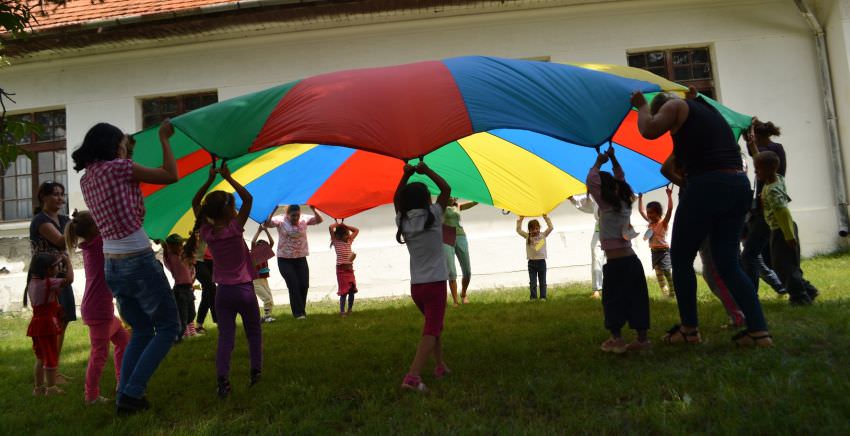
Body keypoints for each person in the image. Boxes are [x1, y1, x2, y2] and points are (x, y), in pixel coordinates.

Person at [633, 88, 772, 347]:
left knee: (681, 259)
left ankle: (689, 329)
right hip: (737, 185)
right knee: (728, 263)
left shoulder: (675, 107)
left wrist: (641, 105)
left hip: (709, 184)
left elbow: (649, 130)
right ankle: (759, 331)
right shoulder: (706, 112)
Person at [73, 120, 181, 414]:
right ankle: (132, 392)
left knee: (143, 329)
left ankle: (124, 394)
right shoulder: (119, 168)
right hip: (137, 257)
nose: (125, 146)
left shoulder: (87, 179)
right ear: (113, 145)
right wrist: (164, 138)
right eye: (122, 141)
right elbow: (171, 175)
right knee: (169, 327)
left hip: (112, 264)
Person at [186, 161, 263, 398]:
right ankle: (256, 373)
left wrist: (210, 180)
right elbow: (248, 199)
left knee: (226, 338)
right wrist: (228, 178)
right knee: (253, 333)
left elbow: (195, 203)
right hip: (245, 291)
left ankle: (222, 381)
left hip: (223, 294)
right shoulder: (234, 227)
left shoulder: (208, 232)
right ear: (230, 211)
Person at [394, 161, 452, 392]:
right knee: (431, 330)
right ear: (427, 199)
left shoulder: (403, 221)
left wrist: (405, 175)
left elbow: (396, 198)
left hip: (417, 287)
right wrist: (426, 169)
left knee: (435, 326)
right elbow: (446, 189)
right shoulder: (435, 215)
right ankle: (413, 376)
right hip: (436, 284)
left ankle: (440, 366)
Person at [587, 147, 650, 353]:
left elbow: (592, 180)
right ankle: (642, 339)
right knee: (637, 299)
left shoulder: (606, 206)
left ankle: (617, 339)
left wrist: (598, 163)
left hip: (615, 265)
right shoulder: (625, 204)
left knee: (613, 300)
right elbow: (621, 179)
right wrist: (613, 159)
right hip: (632, 262)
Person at [65, 210, 130, 405]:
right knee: (99, 354)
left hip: (99, 307)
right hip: (98, 309)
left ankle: (121, 381)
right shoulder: (99, 245)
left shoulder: (90, 246)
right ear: (95, 228)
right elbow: (113, 226)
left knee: (123, 339)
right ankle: (91, 396)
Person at [755, 151, 820, 305]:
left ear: (770, 169)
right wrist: (753, 148)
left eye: (758, 169)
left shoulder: (773, 191)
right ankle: (808, 289)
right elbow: (766, 163)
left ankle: (800, 298)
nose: (756, 172)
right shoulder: (777, 178)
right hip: (781, 229)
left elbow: (783, 214)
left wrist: (789, 236)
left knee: (784, 266)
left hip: (782, 230)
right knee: (785, 264)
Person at [28, 181, 76, 383]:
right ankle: (50, 370)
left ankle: (53, 369)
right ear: (43, 197)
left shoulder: (64, 219)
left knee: (63, 321)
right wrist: (77, 226)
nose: (60, 198)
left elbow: (73, 238)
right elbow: (60, 240)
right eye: (55, 194)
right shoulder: (40, 220)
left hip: (62, 274)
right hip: (47, 279)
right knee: (52, 324)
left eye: (62, 194)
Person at [741, 119, 788, 293]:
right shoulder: (771, 150)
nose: (755, 170)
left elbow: (761, 161)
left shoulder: (771, 152)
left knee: (753, 255)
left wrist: (752, 144)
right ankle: (792, 288)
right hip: (761, 209)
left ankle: (802, 290)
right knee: (761, 255)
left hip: (768, 209)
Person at [26, 253, 74, 397]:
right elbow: (69, 280)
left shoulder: (32, 282)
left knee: (40, 357)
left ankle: (38, 388)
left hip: (36, 324)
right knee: (51, 356)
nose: (57, 268)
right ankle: (51, 388)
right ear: (47, 269)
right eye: (55, 267)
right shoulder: (49, 282)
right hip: (47, 324)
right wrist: (68, 263)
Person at [266, 204, 324, 319]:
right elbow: (267, 224)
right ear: (287, 215)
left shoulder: (304, 219)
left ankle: (301, 310)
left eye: (297, 215)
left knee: (304, 285)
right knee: (293, 285)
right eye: (293, 216)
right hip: (285, 260)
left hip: (301, 258)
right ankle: (299, 313)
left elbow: (319, 220)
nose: (296, 218)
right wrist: (273, 211)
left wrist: (313, 209)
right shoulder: (281, 220)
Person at [638, 187, 675, 298]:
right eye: (648, 213)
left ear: (658, 213)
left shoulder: (663, 223)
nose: (649, 215)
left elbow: (670, 210)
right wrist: (640, 198)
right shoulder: (650, 223)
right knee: (659, 274)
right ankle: (665, 294)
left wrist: (669, 196)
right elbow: (641, 211)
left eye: (651, 213)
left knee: (667, 272)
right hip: (654, 252)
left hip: (664, 252)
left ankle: (673, 293)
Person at [160, 234, 197, 339]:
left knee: (192, 314)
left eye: (181, 244)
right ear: (171, 246)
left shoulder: (183, 256)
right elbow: (165, 247)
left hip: (188, 289)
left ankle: (178, 335)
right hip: (180, 291)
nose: (181, 247)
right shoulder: (170, 257)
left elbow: (191, 251)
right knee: (183, 317)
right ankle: (177, 338)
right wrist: (163, 242)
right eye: (178, 245)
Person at [568, 194, 604, 299]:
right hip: (599, 231)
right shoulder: (595, 195)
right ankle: (596, 289)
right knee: (596, 256)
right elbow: (584, 201)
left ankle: (615, 286)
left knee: (612, 259)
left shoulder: (615, 192)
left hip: (613, 230)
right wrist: (572, 198)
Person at [442, 198, 477, 305]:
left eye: (455, 197)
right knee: (451, 272)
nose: (453, 198)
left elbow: (474, 202)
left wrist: (483, 196)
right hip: (446, 236)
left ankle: (463, 294)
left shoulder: (458, 206)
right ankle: (455, 301)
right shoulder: (440, 207)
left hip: (460, 236)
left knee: (467, 272)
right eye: (451, 196)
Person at [515, 215, 554, 300]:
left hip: (541, 263)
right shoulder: (527, 236)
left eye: (537, 228)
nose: (535, 231)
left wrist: (545, 217)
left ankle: (543, 297)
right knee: (532, 282)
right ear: (529, 230)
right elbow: (518, 230)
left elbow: (551, 227)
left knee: (542, 282)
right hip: (531, 263)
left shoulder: (543, 235)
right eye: (532, 229)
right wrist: (520, 220)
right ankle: (533, 297)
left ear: (539, 228)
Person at [329, 221, 359, 316]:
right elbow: (330, 227)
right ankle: (342, 311)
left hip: (350, 270)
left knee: (352, 290)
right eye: (346, 235)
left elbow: (356, 230)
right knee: (343, 292)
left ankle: (349, 309)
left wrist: (345, 225)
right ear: (339, 236)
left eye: (348, 234)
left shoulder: (349, 241)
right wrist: (338, 225)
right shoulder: (336, 242)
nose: (348, 236)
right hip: (341, 270)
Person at [251, 225, 277, 323]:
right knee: (266, 298)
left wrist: (266, 230)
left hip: (263, 279)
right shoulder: (254, 254)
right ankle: (267, 317)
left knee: (270, 299)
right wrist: (258, 231)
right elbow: (253, 242)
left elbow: (272, 242)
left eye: (264, 247)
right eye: (260, 246)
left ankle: (266, 317)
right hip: (255, 280)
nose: (262, 249)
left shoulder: (265, 254)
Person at [192, 243, 216, 334]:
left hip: (211, 260)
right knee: (212, 287)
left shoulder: (212, 230)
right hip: (198, 261)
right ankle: (219, 320)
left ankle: (199, 325)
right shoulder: (196, 232)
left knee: (207, 293)